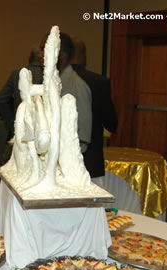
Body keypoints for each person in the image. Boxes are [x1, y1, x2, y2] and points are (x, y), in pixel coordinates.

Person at [71, 38, 118, 179]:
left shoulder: (54, 81)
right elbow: (111, 123)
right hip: (90, 161)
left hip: (59, 162)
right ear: (83, 55)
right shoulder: (99, 82)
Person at [52, 32, 92, 156]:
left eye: (47, 51)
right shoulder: (53, 82)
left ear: (62, 56)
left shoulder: (77, 85)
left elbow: (83, 136)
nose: (41, 56)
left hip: (67, 161)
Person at [0, 44, 44, 136]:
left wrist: (12, 123)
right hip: (43, 128)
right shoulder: (49, 76)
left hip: (21, 126)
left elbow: (0, 99)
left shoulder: (16, 74)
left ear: (30, 57)